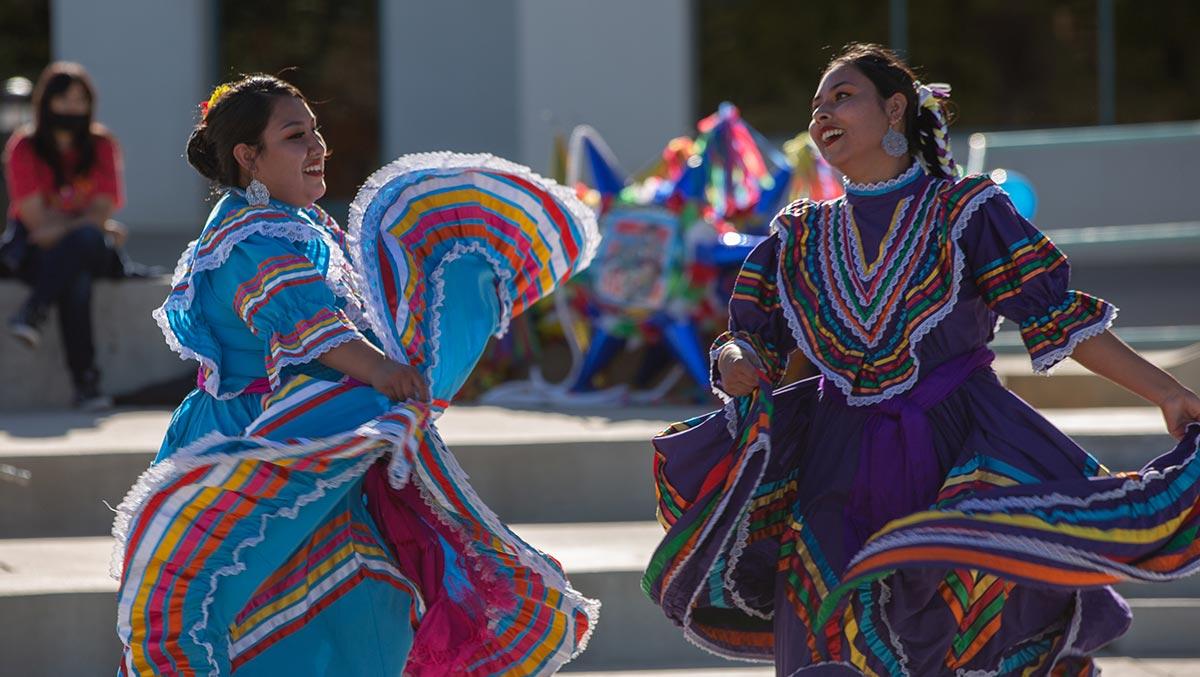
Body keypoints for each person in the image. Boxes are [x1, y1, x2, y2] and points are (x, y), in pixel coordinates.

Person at [643, 43, 1200, 675]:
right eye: (816, 104)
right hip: (835, 466)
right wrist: (736, 359)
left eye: (843, 96)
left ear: (897, 108)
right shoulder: (798, 235)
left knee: (953, 637)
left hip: (959, 457)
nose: (822, 113)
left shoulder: (966, 210)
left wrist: (1166, 393)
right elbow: (750, 340)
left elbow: (1054, 316)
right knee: (824, 631)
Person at [110, 74, 599, 676]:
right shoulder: (249, 236)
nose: (317, 146)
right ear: (248, 157)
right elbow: (316, 329)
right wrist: (389, 374)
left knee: (366, 603)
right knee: (271, 610)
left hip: (323, 436)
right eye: (295, 136)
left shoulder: (304, 224)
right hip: (266, 444)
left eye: (315, 131)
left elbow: (360, 314)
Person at [1, 62, 152, 408]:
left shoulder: (101, 145)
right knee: (77, 277)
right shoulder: (24, 147)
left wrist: (81, 225)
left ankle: (35, 310)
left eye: (80, 100)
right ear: (46, 102)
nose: (72, 107)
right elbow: (38, 225)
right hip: (39, 255)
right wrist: (89, 224)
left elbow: (102, 209)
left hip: (90, 248)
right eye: (64, 99)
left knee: (84, 244)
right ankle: (86, 385)